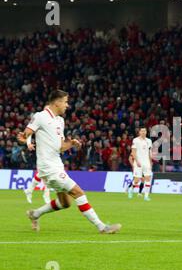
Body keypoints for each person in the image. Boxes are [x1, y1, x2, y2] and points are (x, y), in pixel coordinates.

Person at [17, 90, 121, 234]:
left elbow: (60, 147)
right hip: (48, 167)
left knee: (65, 203)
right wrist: (23, 138)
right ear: (56, 102)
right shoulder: (40, 116)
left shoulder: (60, 120)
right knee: (78, 192)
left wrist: (71, 143)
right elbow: (26, 133)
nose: (67, 105)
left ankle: (34, 214)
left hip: (57, 165)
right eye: (65, 101)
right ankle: (102, 227)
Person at [128, 128, 153, 201]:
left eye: (145, 131)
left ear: (146, 132)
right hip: (138, 162)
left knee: (148, 179)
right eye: (142, 131)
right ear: (139, 132)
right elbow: (133, 152)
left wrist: (150, 162)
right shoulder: (135, 140)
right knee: (136, 180)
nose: (143, 132)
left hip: (147, 163)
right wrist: (137, 161)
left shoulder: (149, 141)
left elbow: (149, 153)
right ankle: (131, 189)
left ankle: (146, 196)